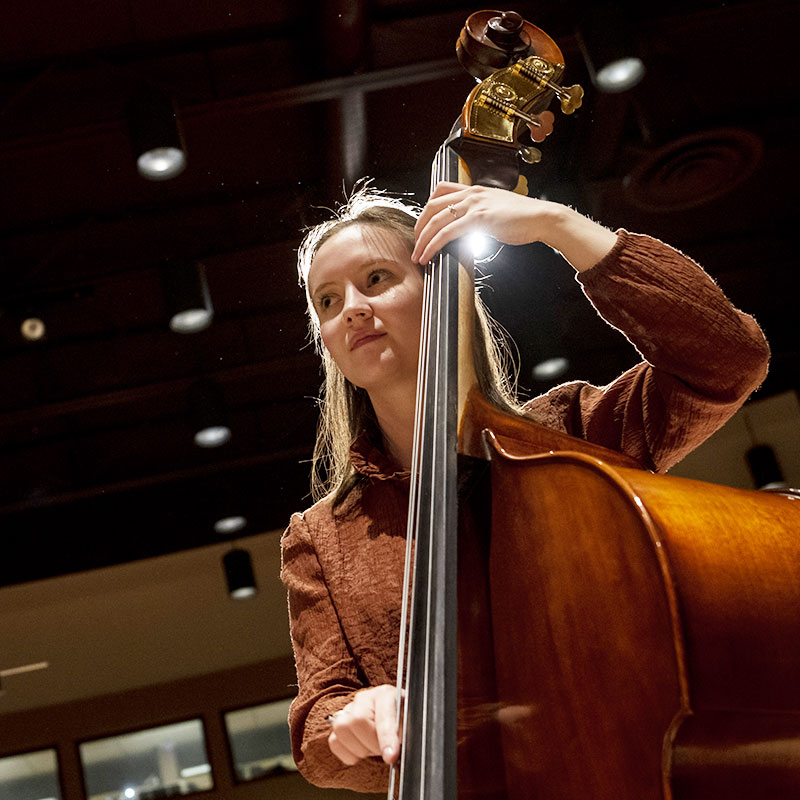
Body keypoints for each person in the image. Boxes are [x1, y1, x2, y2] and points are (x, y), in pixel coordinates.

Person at [280, 180, 770, 793]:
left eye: (376, 279)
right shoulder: (321, 537)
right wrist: (350, 721)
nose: (351, 307)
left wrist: (559, 227)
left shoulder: (573, 434)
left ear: (440, 293)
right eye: (327, 300)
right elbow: (317, 729)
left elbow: (728, 359)